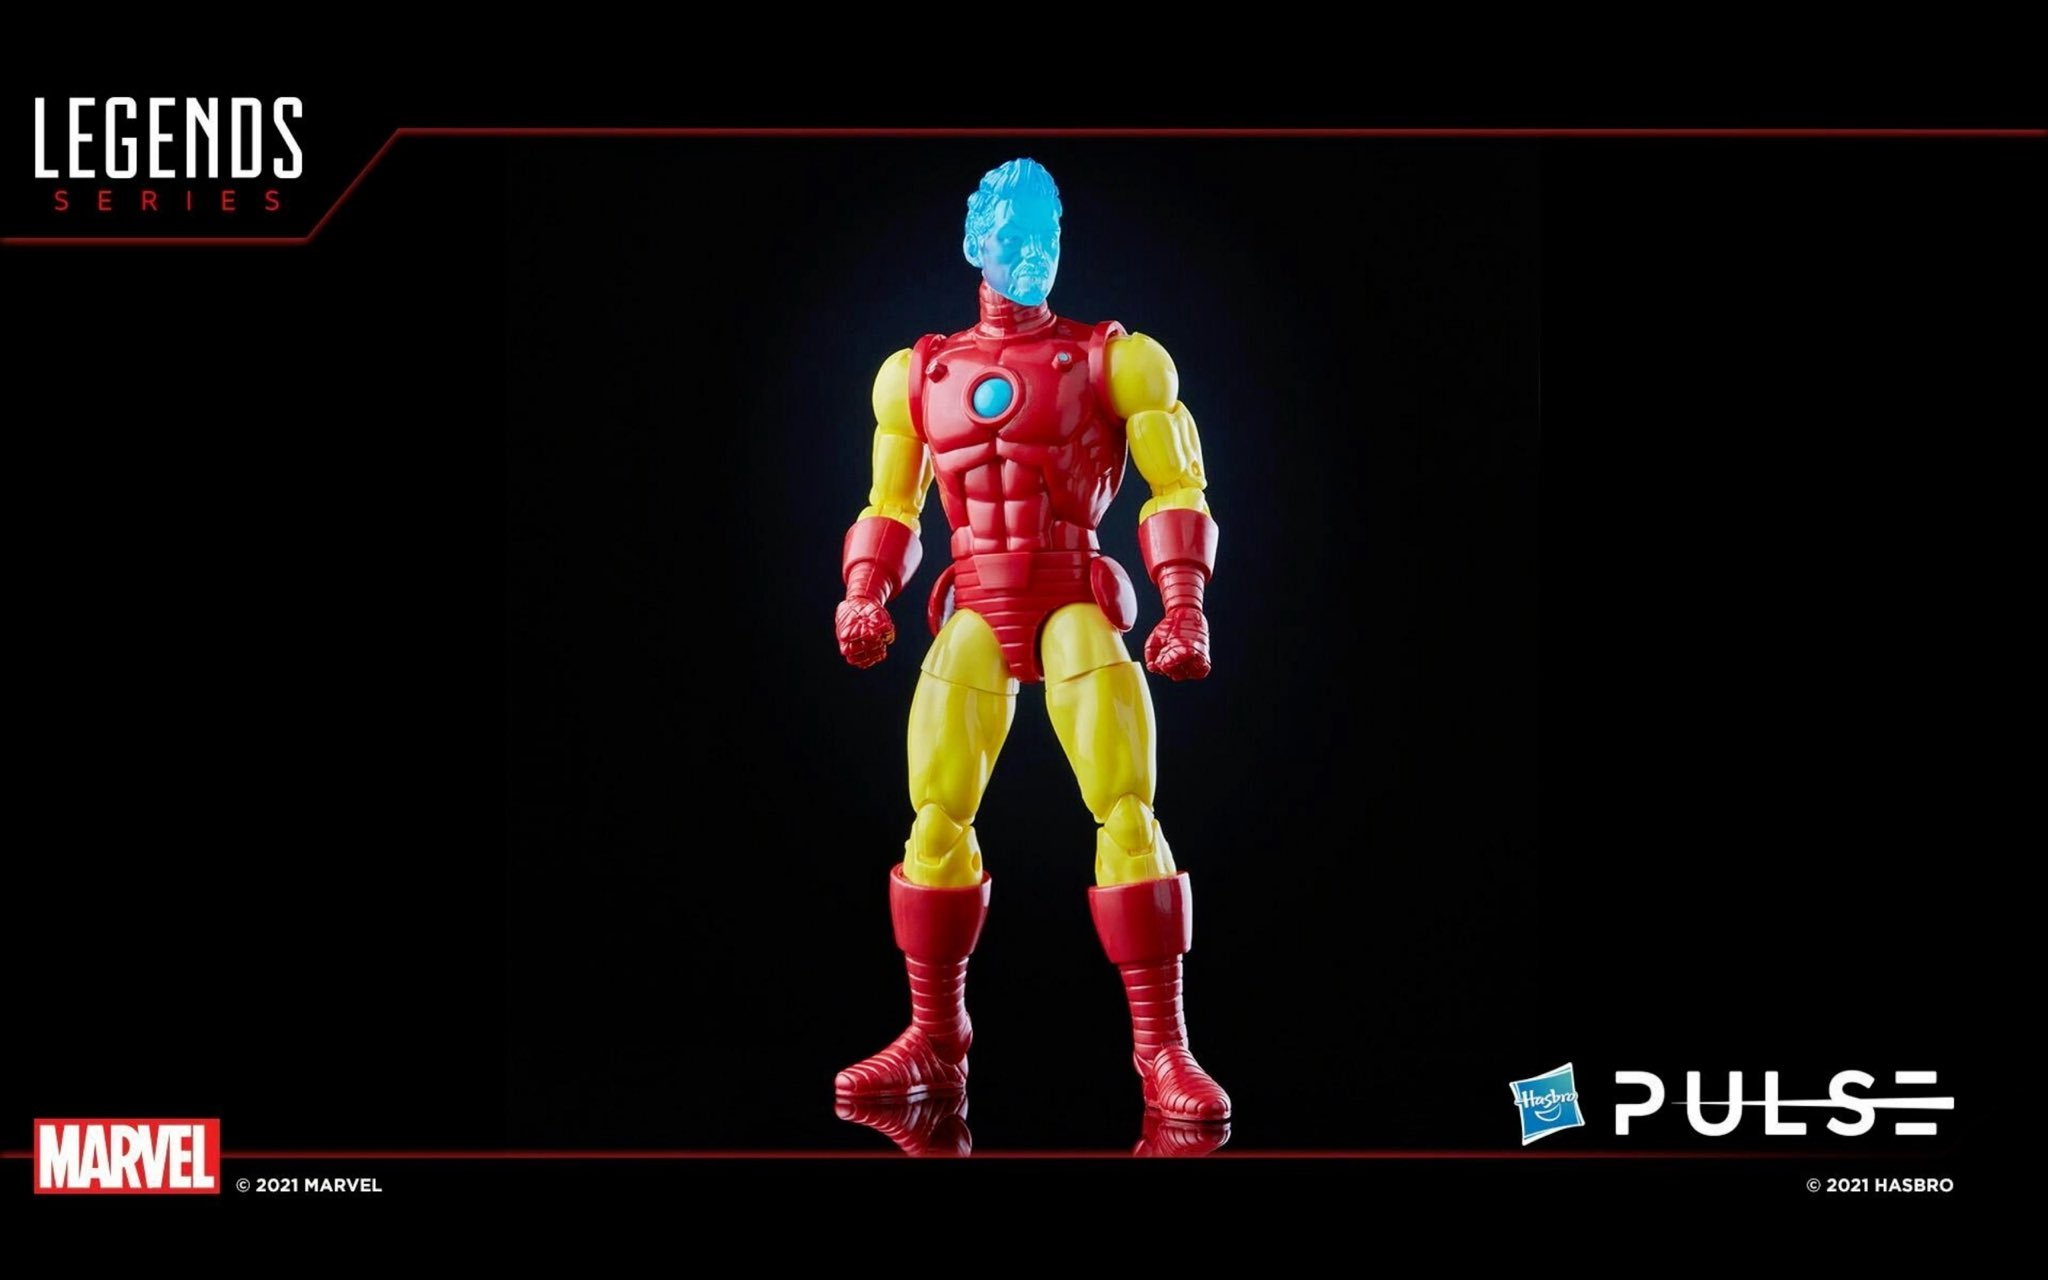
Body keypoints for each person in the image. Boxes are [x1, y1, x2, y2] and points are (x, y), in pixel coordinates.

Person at [832, 158, 1229, 1126]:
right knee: (934, 819)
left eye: (1047, 237)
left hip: (1068, 591)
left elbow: (1177, 484)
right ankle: (934, 1039)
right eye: (1014, 237)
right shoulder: (915, 373)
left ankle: (1162, 1052)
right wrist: (863, 593)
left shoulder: (1115, 359)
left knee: (1126, 809)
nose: (1033, 254)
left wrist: (1183, 603)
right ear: (975, 244)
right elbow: (890, 501)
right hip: (971, 597)